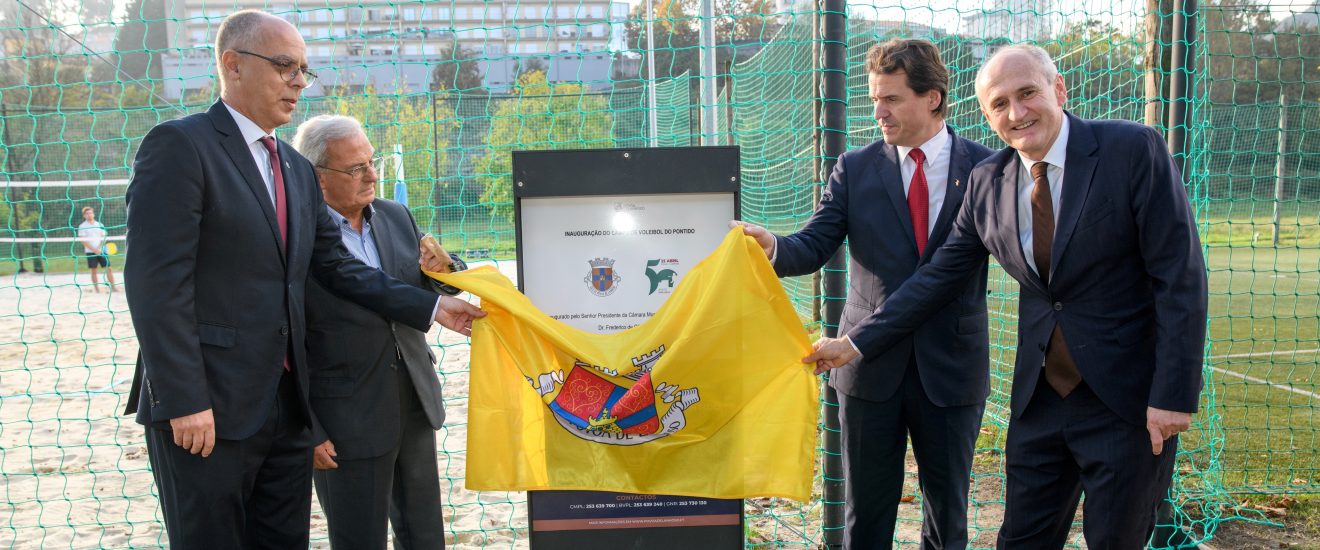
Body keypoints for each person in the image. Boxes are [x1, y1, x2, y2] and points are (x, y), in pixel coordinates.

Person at [804, 44, 1209, 548]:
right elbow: (936, 278)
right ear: (986, 114)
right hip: (1039, 405)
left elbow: (1181, 277)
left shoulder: (1132, 150)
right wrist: (855, 343)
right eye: (999, 104)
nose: (1016, 113)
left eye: (1027, 94)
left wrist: (1171, 396)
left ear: (1059, 90)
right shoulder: (988, 182)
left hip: (1124, 404)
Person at [122, 10, 483, 549]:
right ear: (233, 65)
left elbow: (336, 267)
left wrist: (432, 307)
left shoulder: (292, 167)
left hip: (286, 413)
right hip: (208, 411)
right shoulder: (181, 146)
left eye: (304, 70)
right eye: (285, 65)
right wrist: (184, 399)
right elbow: (156, 284)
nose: (298, 81)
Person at [737, 38, 993, 549]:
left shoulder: (986, 168)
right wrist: (773, 247)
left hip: (951, 365)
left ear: (933, 97)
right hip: (868, 370)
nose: (878, 111)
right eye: (875, 98)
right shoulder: (855, 168)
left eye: (892, 99)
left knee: (948, 514)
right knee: (867, 513)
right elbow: (812, 246)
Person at [293, 115, 458, 549]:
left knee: (425, 536)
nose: (371, 175)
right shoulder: (295, 236)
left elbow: (429, 282)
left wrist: (448, 271)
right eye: (355, 168)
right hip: (344, 420)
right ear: (317, 177)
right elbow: (285, 338)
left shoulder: (395, 215)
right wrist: (308, 425)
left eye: (372, 162)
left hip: (413, 403)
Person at [77, 206, 115, 293]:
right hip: (90, 252)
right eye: (87, 214)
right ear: (84, 216)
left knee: (108, 268)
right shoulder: (82, 226)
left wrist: (99, 248)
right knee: (93, 270)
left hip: (102, 250)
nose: (89, 215)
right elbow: (83, 240)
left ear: (93, 214)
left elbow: (103, 236)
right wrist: (94, 249)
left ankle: (113, 287)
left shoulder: (99, 224)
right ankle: (97, 289)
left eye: (90, 213)